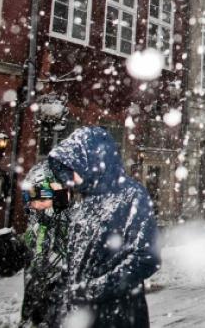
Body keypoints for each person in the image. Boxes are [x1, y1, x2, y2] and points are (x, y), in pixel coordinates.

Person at [48, 127, 161, 327]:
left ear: (92, 161)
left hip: (118, 316)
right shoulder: (83, 202)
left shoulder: (131, 195)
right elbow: (75, 260)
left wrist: (94, 289)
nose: (71, 178)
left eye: (75, 168)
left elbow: (146, 258)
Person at [20, 161, 71, 328]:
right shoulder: (38, 225)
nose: (37, 205)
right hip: (45, 278)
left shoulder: (57, 221)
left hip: (54, 276)